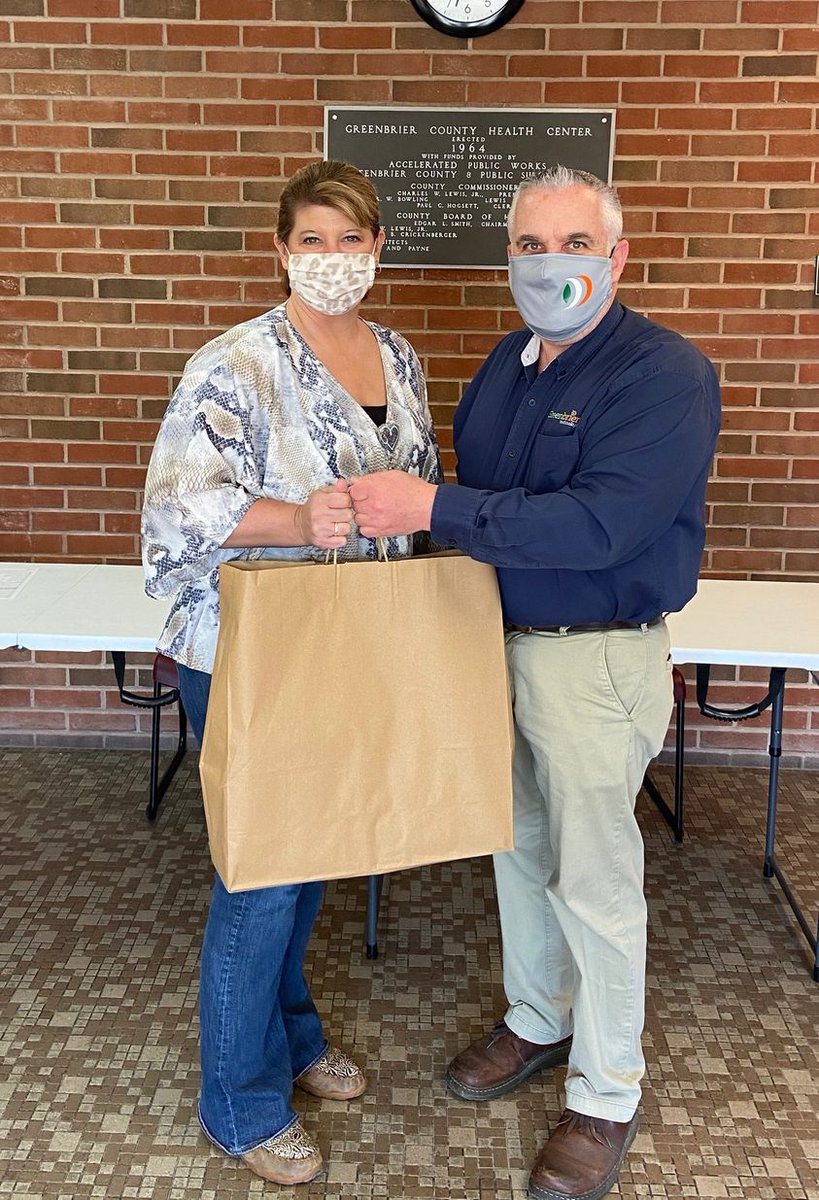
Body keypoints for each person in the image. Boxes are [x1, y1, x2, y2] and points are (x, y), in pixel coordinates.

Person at [349, 166, 721, 1200]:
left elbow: (600, 525)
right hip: (493, 647)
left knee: (595, 883)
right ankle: (538, 1020)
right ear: (507, 256)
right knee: (516, 846)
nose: (548, 262)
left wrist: (431, 504)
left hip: (594, 658)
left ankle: (606, 1094)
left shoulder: (662, 374)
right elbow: (483, 503)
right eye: (527, 244)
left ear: (617, 259)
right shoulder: (505, 369)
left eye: (572, 242)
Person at [141, 159, 441, 1186]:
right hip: (252, 653)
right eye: (310, 241)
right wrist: (293, 519)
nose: (330, 260)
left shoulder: (395, 354)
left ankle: (295, 1032)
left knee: (312, 859)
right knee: (261, 879)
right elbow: (178, 508)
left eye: (349, 240)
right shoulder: (233, 362)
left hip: (353, 646)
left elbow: (421, 486)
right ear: (280, 250)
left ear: (376, 250)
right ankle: (238, 1102)